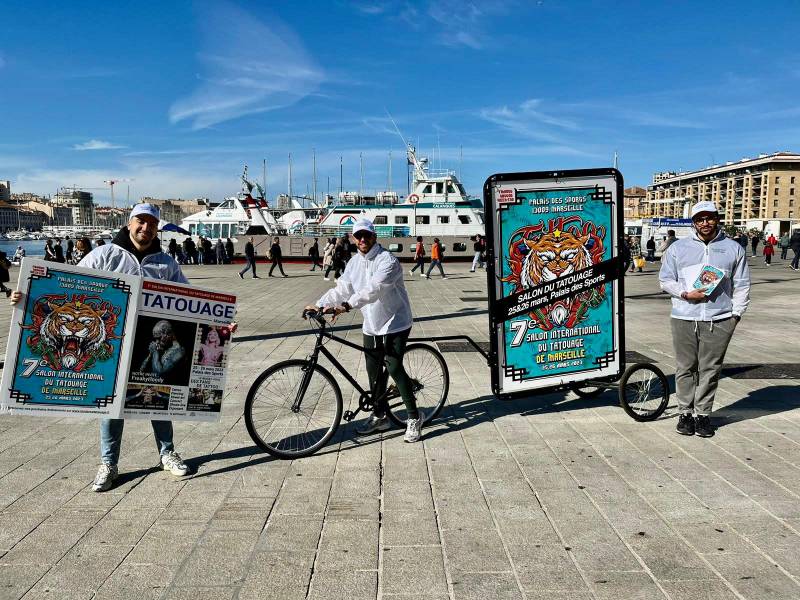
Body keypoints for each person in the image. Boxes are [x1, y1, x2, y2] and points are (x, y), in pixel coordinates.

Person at [11, 203, 210, 492]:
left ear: (157, 228)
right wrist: (26, 297)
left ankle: (167, 454)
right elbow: (68, 288)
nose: (146, 228)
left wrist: (218, 323)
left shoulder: (166, 264)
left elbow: (192, 301)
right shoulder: (104, 255)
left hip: (147, 341)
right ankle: (109, 463)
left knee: (160, 398)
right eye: (140, 222)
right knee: (112, 404)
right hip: (111, 342)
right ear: (129, 223)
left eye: (151, 224)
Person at [305, 218, 424, 442]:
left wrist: (348, 305)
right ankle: (380, 416)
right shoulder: (353, 263)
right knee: (372, 372)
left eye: (366, 235)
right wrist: (319, 304)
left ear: (374, 236)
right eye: (358, 236)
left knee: (394, 365)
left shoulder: (387, 260)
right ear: (352, 238)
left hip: (395, 322)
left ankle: (413, 417)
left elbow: (374, 289)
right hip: (371, 323)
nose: (362, 239)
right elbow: (342, 288)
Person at [658, 201, 750, 438]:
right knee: (685, 367)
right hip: (683, 316)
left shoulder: (733, 248)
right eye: (700, 219)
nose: (705, 223)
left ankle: (703, 415)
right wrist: (686, 293)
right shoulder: (678, 248)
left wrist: (736, 314)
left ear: (717, 219)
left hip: (719, 318)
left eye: (709, 218)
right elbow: (665, 279)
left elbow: (741, 284)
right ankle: (685, 413)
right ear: (694, 222)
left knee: (710, 369)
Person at [139, 320, 187, 384]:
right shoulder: (165, 349)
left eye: (158, 338)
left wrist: (155, 352)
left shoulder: (180, 352)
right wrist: (150, 354)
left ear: (168, 334)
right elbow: (141, 371)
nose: (157, 341)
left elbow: (159, 374)